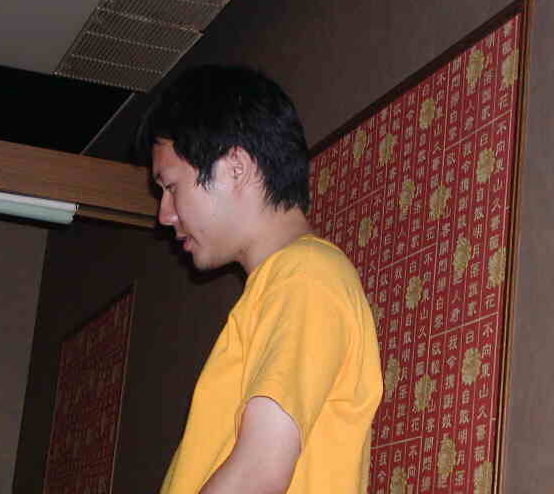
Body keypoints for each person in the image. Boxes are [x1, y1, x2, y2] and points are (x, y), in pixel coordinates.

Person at [136, 65, 383, 494]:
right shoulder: (288, 281)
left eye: (171, 187)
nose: (164, 214)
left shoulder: (305, 275)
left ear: (236, 166)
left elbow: (259, 473)